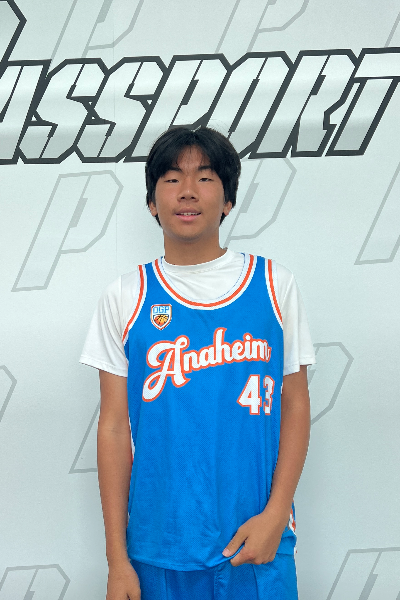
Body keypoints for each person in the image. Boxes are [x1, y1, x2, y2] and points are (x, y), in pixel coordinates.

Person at [80, 126, 316, 600]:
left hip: (257, 542)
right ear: (152, 202)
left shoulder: (274, 285)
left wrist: (275, 515)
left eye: (205, 178)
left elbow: (294, 405)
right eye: (171, 179)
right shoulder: (126, 296)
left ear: (227, 200)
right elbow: (113, 428)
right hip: (158, 550)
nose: (187, 191)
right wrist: (117, 560)